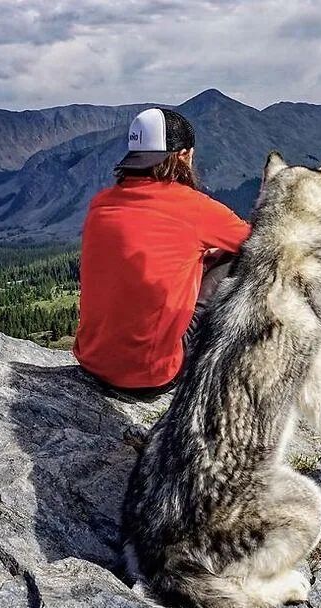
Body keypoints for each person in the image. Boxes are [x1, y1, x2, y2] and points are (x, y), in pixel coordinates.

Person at [73, 107, 251, 399]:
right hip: (151, 377)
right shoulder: (193, 206)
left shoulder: (101, 203)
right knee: (240, 258)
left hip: (93, 362)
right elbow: (260, 240)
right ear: (183, 156)